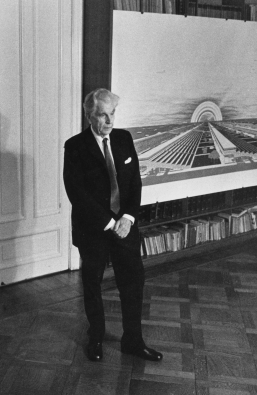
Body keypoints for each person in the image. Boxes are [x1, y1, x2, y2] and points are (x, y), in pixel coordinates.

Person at [63, 88, 163, 362]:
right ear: (89, 116)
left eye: (113, 113)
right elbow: (77, 194)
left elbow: (134, 183)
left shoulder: (123, 138)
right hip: (94, 229)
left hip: (125, 226)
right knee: (93, 284)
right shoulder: (74, 146)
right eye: (103, 115)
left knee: (133, 283)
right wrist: (110, 222)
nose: (109, 121)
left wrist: (128, 218)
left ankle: (133, 341)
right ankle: (95, 338)